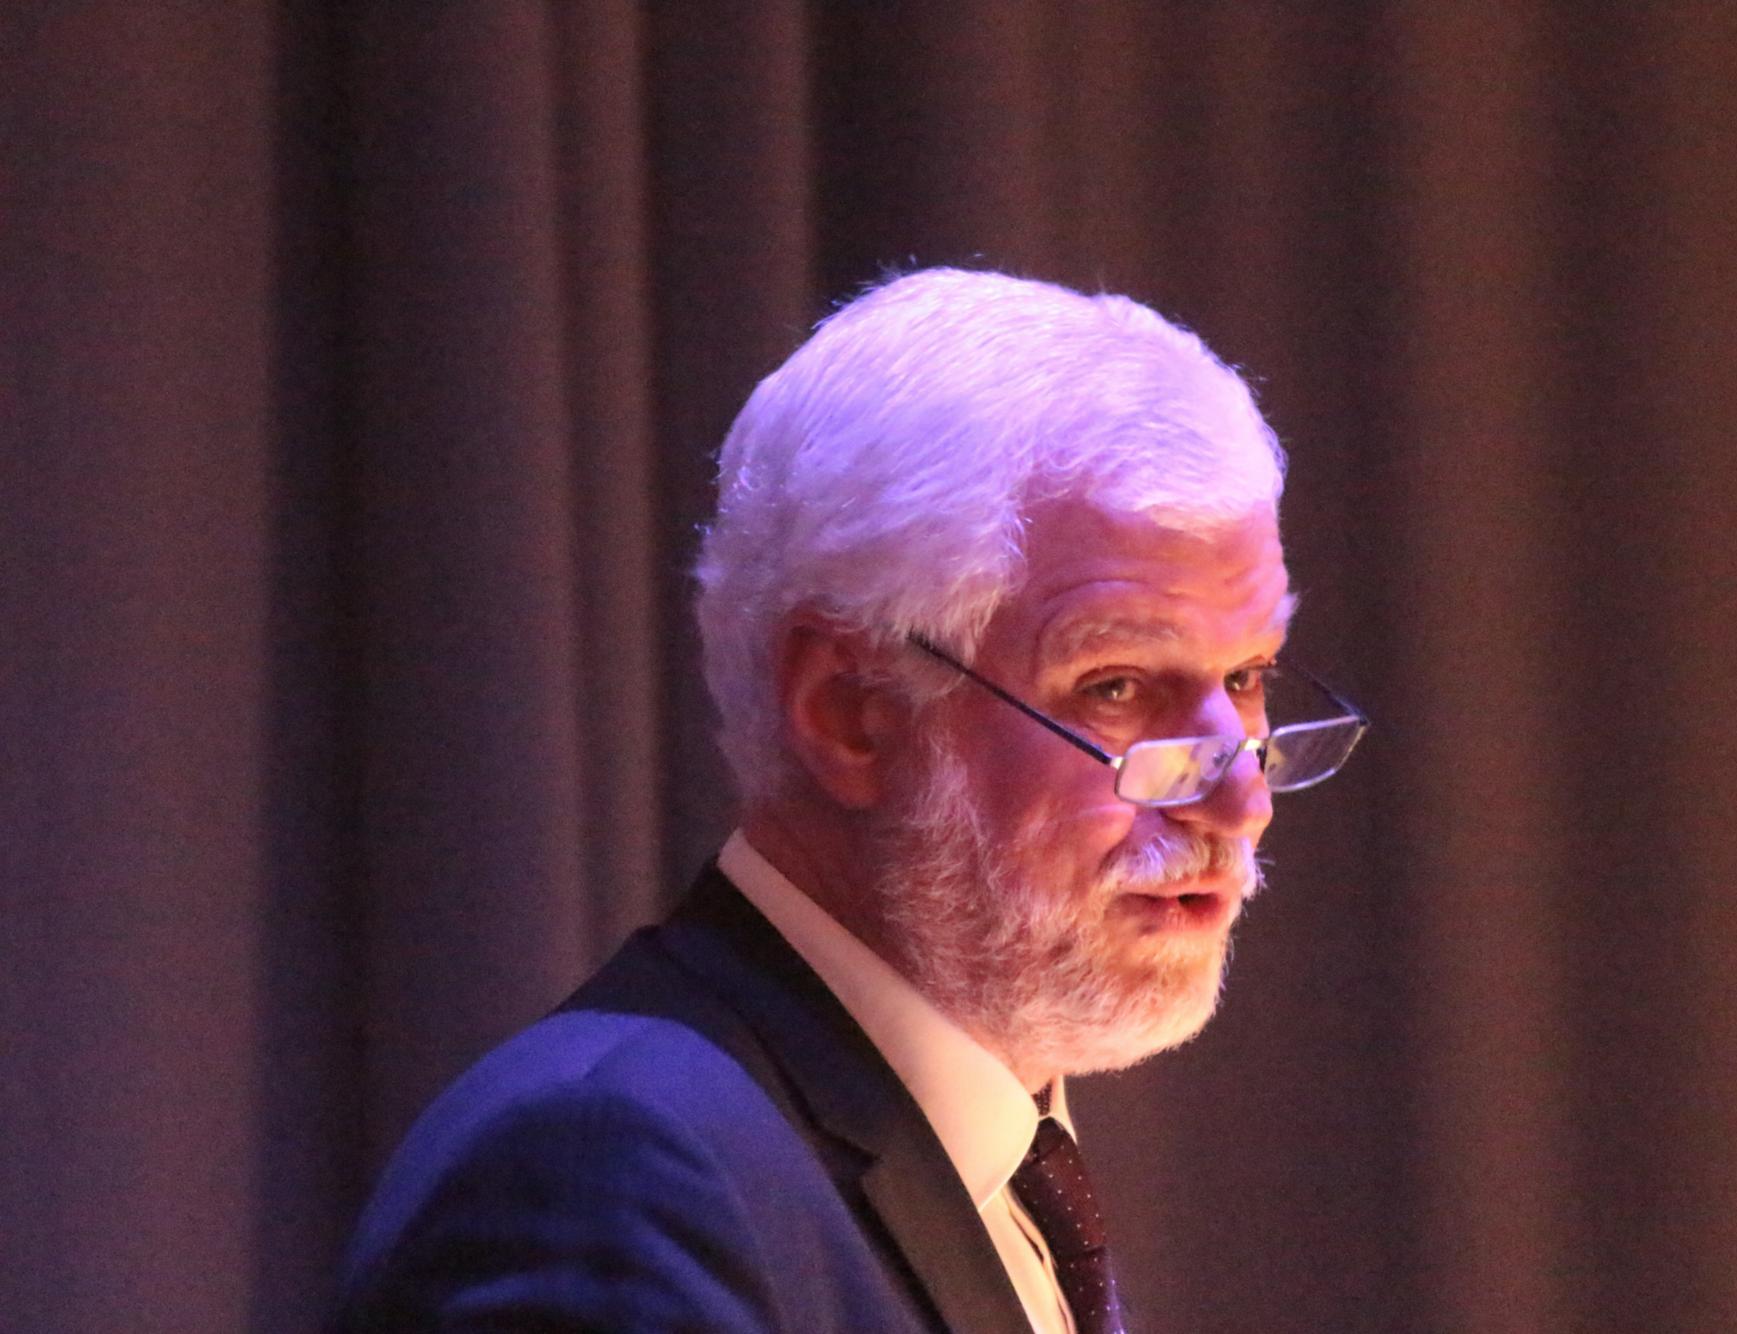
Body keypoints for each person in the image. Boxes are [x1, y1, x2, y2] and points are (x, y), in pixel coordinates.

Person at [334, 268, 1366, 1332]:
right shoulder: (605, 1179)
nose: (1240, 793)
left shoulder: (1003, 1170)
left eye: (1244, 678)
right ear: (849, 710)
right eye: (1115, 687)